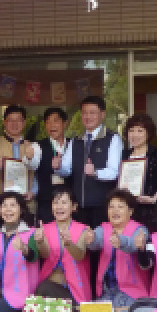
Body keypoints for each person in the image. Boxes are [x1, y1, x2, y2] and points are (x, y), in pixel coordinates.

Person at [58, 96, 123, 228]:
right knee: (80, 240)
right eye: (84, 113)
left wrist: (95, 173)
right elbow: (67, 170)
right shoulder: (75, 141)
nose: (87, 117)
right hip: (78, 206)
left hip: (102, 206)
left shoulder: (112, 139)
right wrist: (58, 167)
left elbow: (115, 172)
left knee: (101, 240)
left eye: (92, 113)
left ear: (102, 114)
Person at [88, 189, 150, 308]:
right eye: (111, 207)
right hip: (106, 292)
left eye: (120, 207)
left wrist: (121, 241)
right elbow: (96, 241)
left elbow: (134, 245)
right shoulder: (103, 228)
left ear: (130, 211)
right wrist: (91, 239)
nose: (115, 210)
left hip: (132, 293)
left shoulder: (140, 229)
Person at [33, 187, 95, 304]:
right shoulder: (44, 228)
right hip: (51, 288)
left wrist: (69, 244)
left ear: (74, 207)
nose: (59, 206)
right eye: (55, 203)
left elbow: (80, 255)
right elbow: (45, 254)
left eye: (64, 202)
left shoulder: (83, 229)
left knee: (44, 291)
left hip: (76, 291)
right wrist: (40, 241)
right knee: (44, 289)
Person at [23, 108, 72, 224]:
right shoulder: (38, 146)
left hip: (70, 201)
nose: (52, 125)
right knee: (47, 232)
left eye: (56, 121)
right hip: (47, 202)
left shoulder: (73, 144)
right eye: (48, 122)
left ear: (65, 123)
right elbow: (33, 165)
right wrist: (29, 157)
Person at [122, 114, 157, 226]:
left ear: (148, 133)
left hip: (150, 211)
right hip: (127, 209)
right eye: (131, 130)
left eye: (140, 131)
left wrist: (153, 199)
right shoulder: (124, 154)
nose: (135, 135)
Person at [0, 105, 34, 205]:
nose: (14, 124)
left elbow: (38, 174)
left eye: (18, 120)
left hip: (26, 200)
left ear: (24, 123)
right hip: (2, 202)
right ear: (4, 122)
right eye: (10, 120)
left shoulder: (33, 147)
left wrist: (34, 191)